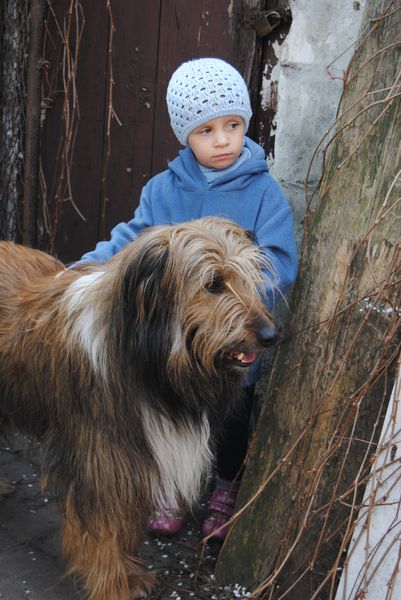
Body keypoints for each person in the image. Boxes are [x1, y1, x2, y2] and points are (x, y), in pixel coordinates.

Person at [74, 58, 298, 541]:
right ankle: (174, 487)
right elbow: (130, 241)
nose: (222, 140)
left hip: (232, 346)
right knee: (170, 420)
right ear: (184, 135)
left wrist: (236, 294)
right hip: (177, 349)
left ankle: (224, 487)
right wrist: (83, 270)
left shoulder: (263, 194)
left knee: (230, 425)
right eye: (206, 130)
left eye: (233, 125)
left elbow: (279, 262)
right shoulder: (163, 192)